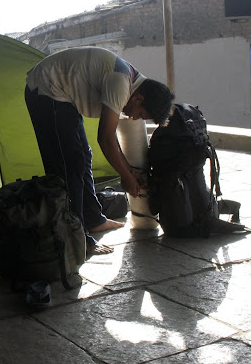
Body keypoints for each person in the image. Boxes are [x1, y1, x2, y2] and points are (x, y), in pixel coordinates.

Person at [25, 46, 174, 254]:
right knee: (70, 167)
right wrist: (125, 177)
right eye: (140, 114)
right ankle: (76, 238)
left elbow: (110, 137)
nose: (134, 117)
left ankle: (93, 219)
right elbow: (105, 139)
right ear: (139, 99)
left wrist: (129, 171)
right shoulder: (121, 83)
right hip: (45, 89)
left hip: (62, 94)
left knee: (83, 156)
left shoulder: (132, 83)